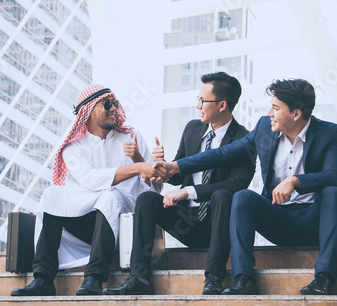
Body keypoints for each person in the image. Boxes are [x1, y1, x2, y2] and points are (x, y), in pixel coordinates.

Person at [153, 78, 337, 295]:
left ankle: (323, 279)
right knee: (242, 196)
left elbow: (334, 175)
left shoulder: (329, 133)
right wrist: (176, 166)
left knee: (332, 193)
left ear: (296, 114)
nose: (269, 113)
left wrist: (296, 181)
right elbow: (222, 154)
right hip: (278, 220)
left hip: (314, 222)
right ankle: (244, 280)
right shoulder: (264, 129)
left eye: (276, 108)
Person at [103, 72, 256, 296]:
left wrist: (187, 192)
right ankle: (138, 278)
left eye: (203, 101)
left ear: (222, 105)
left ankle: (214, 278)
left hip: (217, 224)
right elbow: (177, 175)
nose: (198, 106)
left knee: (224, 194)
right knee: (146, 199)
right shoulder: (193, 129)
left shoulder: (244, 140)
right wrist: (158, 165)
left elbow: (237, 184)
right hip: (185, 220)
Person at [10, 84, 164, 297]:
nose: (114, 109)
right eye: (107, 104)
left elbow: (155, 189)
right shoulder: (74, 147)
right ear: (87, 111)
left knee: (110, 196)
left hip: (129, 226)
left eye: (116, 104)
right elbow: (90, 180)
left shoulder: (131, 137)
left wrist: (140, 160)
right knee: (51, 195)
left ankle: (93, 277)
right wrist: (136, 167)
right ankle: (43, 278)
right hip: (91, 229)